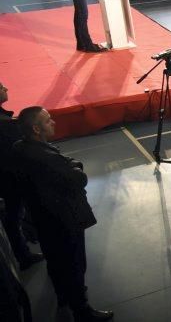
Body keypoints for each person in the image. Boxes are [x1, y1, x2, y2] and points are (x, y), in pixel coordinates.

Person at [11, 107, 113, 321]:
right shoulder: (45, 157)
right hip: (64, 219)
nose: (54, 123)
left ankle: (63, 297)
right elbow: (78, 179)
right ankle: (82, 310)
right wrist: (75, 167)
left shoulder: (20, 148)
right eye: (48, 121)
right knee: (75, 264)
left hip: (43, 218)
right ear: (36, 129)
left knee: (56, 263)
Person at [0, 82, 44, 271]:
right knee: (14, 215)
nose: (6, 89)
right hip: (11, 180)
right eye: (1, 87)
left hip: (8, 178)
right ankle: (23, 254)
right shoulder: (6, 126)